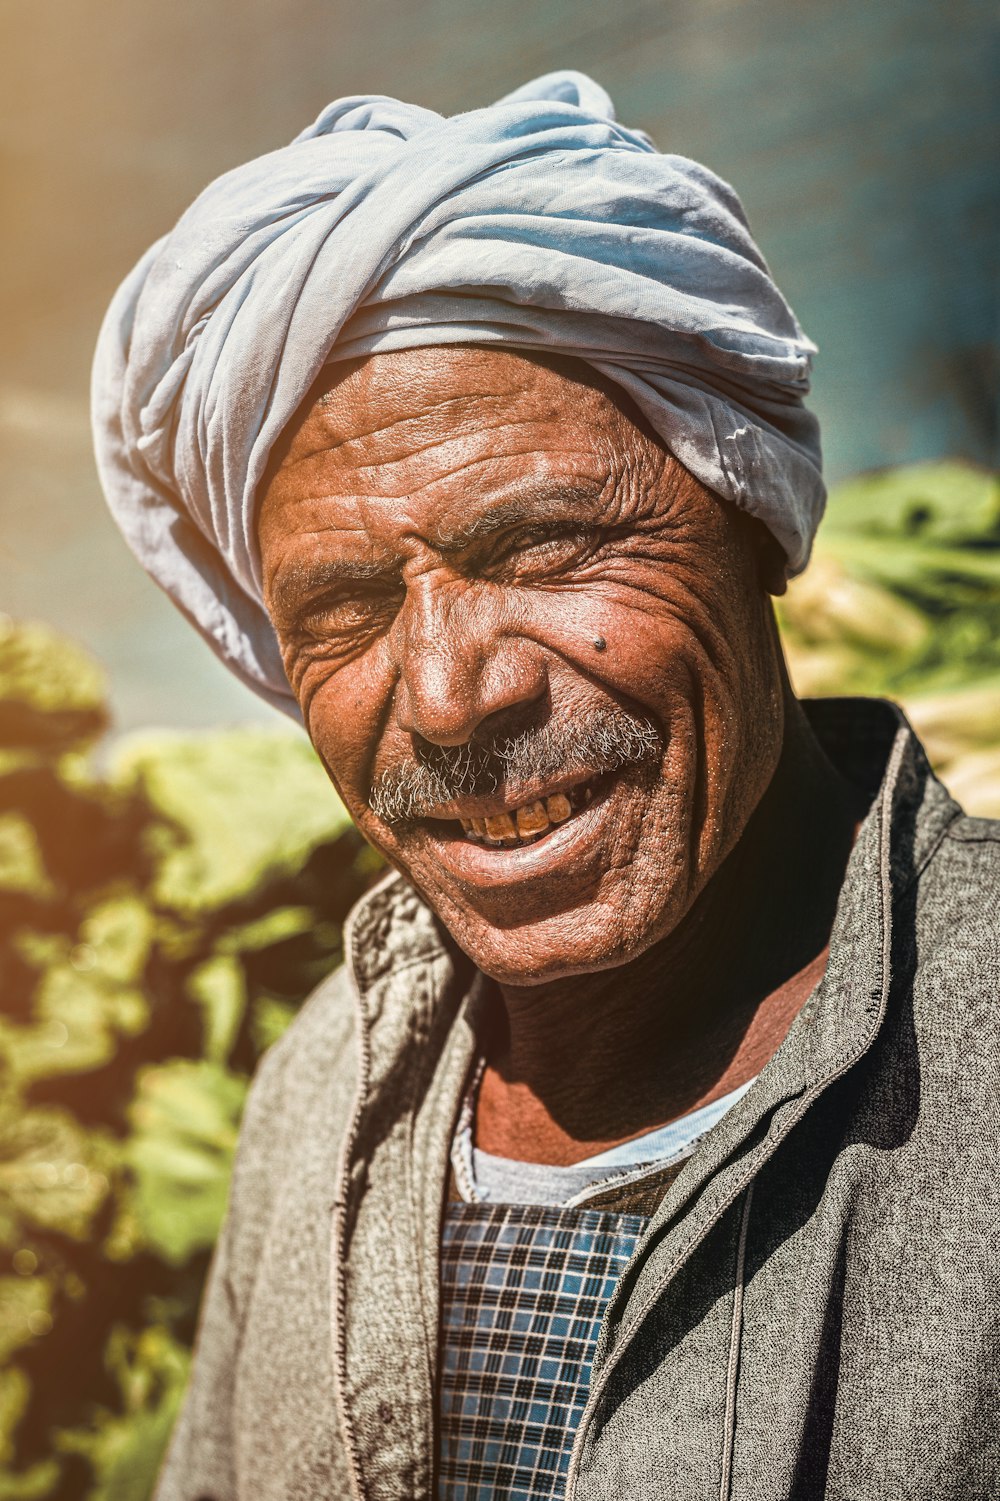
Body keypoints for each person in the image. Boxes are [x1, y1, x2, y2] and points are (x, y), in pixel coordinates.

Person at [92, 72, 998, 1501]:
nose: (450, 695)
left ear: (750, 509)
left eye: (542, 546)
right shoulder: (321, 1083)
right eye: (340, 613)